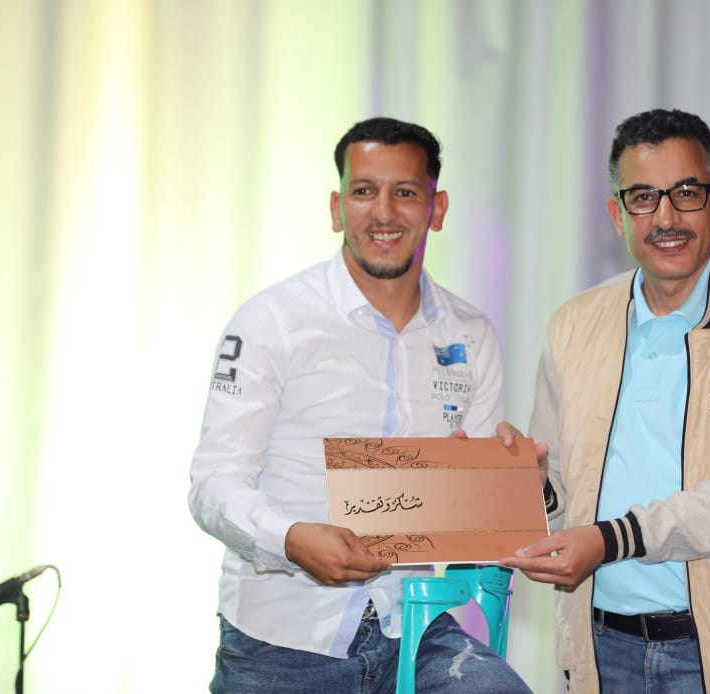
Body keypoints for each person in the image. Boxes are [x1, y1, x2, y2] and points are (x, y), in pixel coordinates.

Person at [499, 108, 710, 693]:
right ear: (617, 215)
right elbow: (561, 497)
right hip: (603, 645)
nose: (665, 217)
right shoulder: (574, 325)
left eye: (686, 193)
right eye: (643, 197)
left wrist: (613, 539)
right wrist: (531, 486)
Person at [189, 116, 531, 693]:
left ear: (437, 208)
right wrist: (291, 538)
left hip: (414, 627)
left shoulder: (470, 333)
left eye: (406, 192)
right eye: (364, 190)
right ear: (336, 207)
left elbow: (475, 523)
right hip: (282, 638)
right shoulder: (273, 320)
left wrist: (513, 486)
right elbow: (212, 484)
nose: (384, 212)